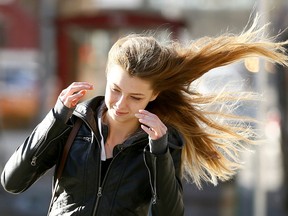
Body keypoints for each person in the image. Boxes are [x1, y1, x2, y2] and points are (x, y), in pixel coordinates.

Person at [1, 16, 288, 215]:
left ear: (154, 96)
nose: (121, 104)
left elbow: (169, 213)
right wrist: (55, 116)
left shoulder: (161, 142)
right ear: (106, 77)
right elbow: (13, 182)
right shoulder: (73, 123)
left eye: (136, 97)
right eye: (115, 90)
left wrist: (159, 153)